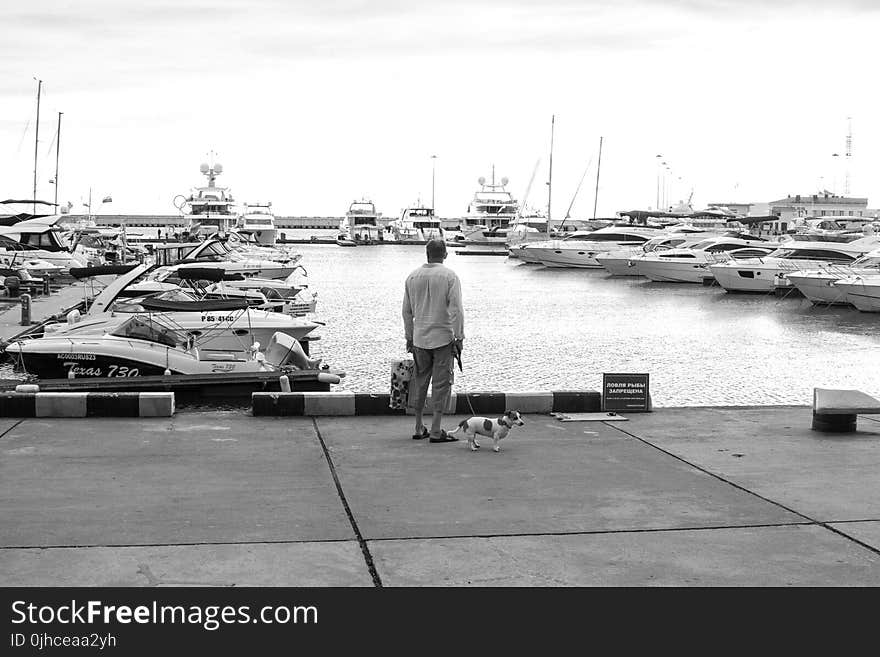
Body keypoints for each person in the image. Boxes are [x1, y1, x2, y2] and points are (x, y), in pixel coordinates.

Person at [402, 239, 465, 442]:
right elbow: (456, 309)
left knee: (420, 383)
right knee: (441, 384)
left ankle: (419, 426)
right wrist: (459, 336)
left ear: (426, 254)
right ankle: (437, 429)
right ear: (445, 254)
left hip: (420, 338)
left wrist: (409, 337)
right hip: (443, 338)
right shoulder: (450, 276)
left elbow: (406, 312)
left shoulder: (412, 277)